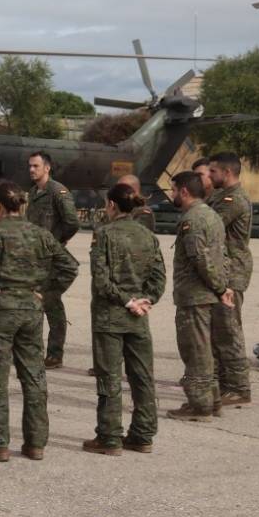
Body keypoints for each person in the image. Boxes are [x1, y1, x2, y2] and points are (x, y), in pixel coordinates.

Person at [0, 180, 78, 462]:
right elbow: (69, 266)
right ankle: (36, 443)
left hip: (2, 309)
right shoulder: (40, 234)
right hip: (31, 310)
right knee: (34, 376)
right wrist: (46, 293)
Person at [83, 183, 165, 456]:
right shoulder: (147, 235)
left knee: (109, 378)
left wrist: (127, 301)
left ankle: (109, 436)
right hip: (138, 319)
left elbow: (101, 279)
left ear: (112, 205)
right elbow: (158, 278)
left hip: (110, 318)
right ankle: (143, 435)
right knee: (142, 377)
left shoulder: (104, 234)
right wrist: (145, 300)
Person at [166, 171, 232, 421]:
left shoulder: (191, 220)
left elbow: (201, 259)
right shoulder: (212, 216)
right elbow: (222, 256)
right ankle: (212, 400)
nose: (172, 194)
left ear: (184, 191)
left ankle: (200, 405)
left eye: (173, 190)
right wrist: (222, 286)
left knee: (195, 351)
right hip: (206, 294)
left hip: (195, 296)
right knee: (205, 351)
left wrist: (218, 287)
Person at [25, 151, 80, 368]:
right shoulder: (33, 192)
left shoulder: (58, 191)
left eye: (35, 166)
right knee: (36, 303)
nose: (31, 169)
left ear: (47, 168)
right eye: (29, 166)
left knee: (52, 304)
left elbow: (72, 222)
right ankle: (33, 350)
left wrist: (57, 242)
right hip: (36, 259)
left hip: (52, 260)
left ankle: (55, 354)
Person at [207, 152, 253, 407]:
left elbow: (210, 225)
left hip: (232, 273)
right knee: (218, 331)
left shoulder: (233, 200)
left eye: (213, 171)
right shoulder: (219, 196)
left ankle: (238, 388)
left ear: (227, 173)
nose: (209, 175)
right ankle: (224, 384)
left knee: (229, 331)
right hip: (223, 270)